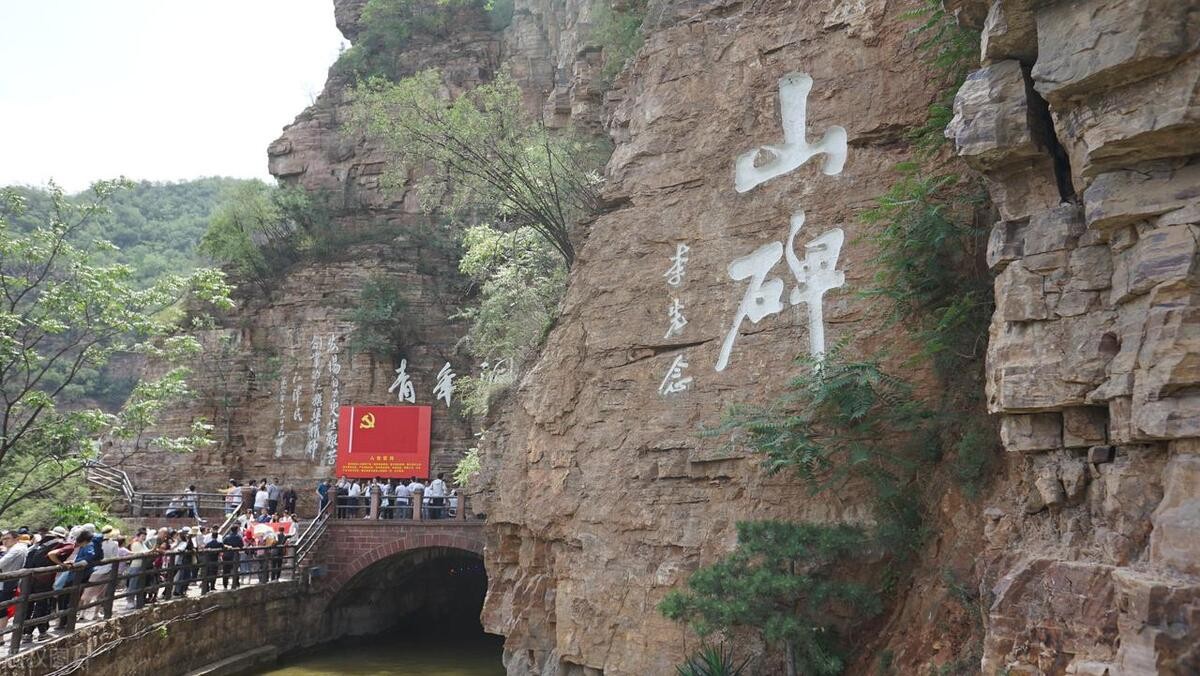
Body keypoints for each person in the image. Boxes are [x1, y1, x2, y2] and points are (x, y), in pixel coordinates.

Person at [0, 530, 29, 632]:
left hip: (8, 582)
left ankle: (1, 635)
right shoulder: (18, 547)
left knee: (2, 609)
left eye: (7, 538)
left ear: (16, 539)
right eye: (3, 539)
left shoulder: (16, 549)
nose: (4, 541)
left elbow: (1, 563)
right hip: (9, 580)